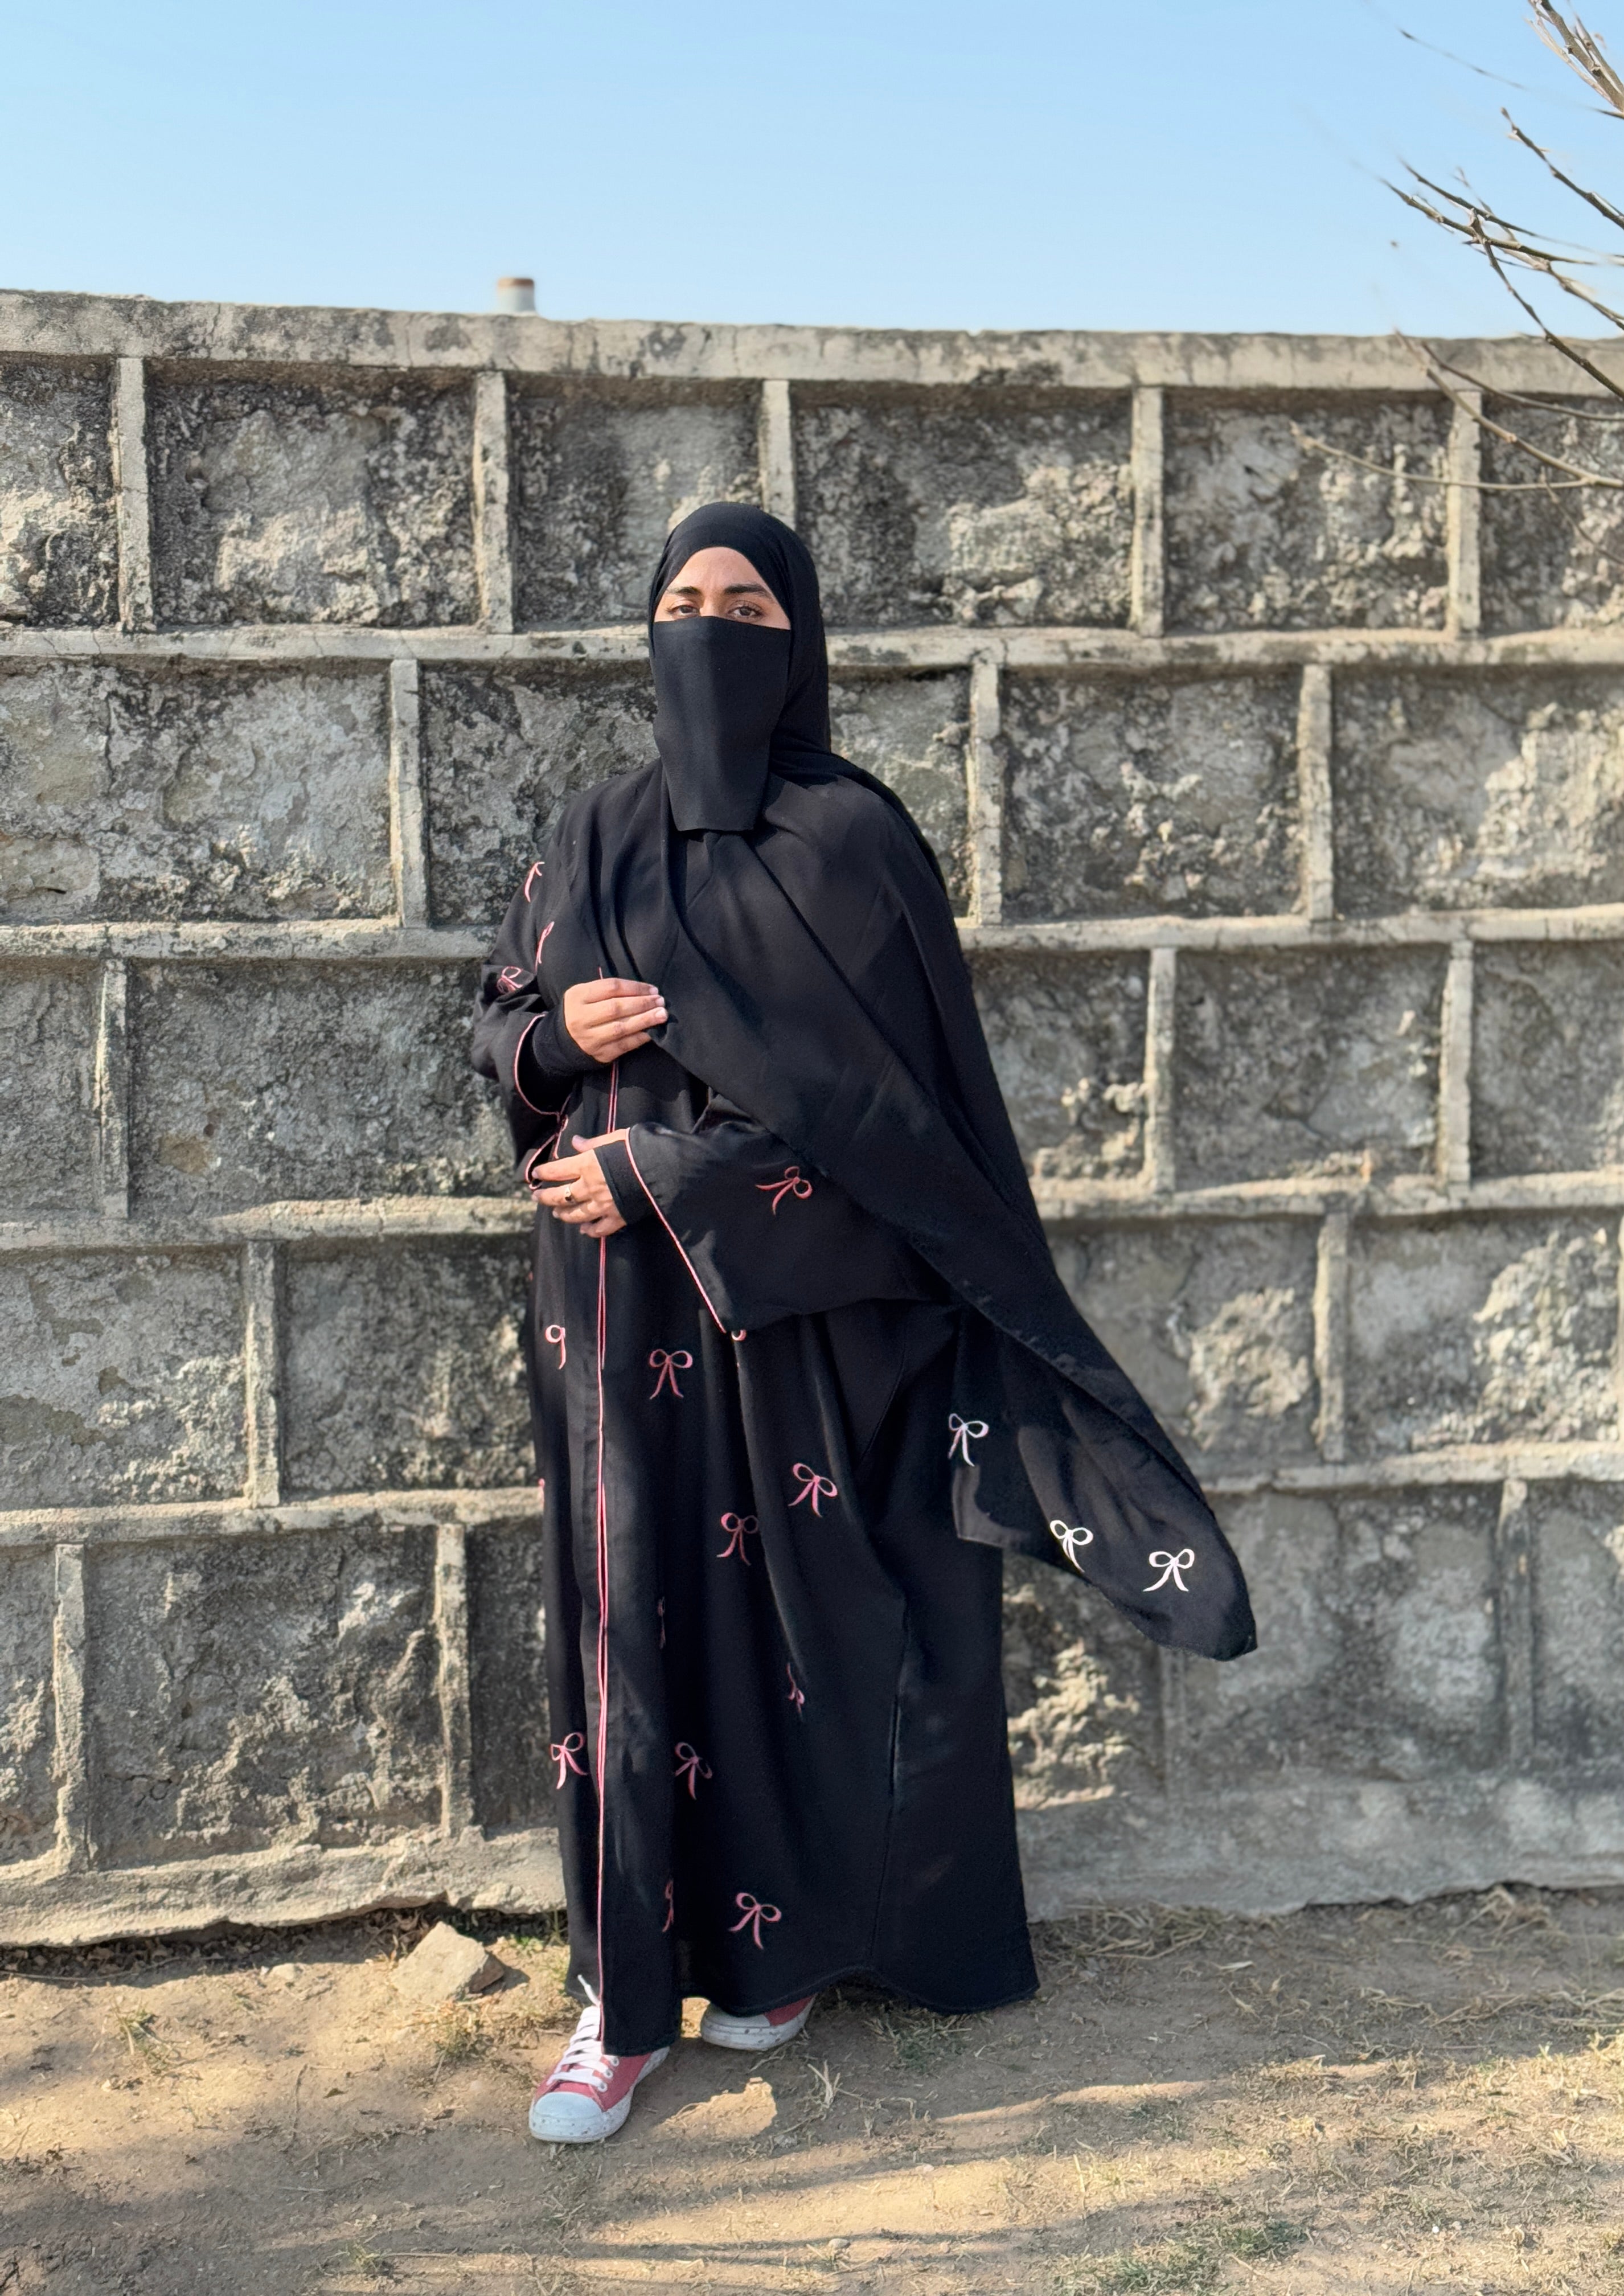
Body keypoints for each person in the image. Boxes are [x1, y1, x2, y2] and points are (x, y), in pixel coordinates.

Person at [470, 503, 1256, 2146]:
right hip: (610, 1324)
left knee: (799, 1633)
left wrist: (670, 1166)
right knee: (625, 1630)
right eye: (681, 601)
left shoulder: (854, 847)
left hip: (797, 1320)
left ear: (798, 637)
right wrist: (551, 1044)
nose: (706, 629)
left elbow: (897, 1130)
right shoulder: (591, 830)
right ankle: (614, 2016)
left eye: (743, 605)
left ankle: (780, 1948)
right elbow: (492, 1025)